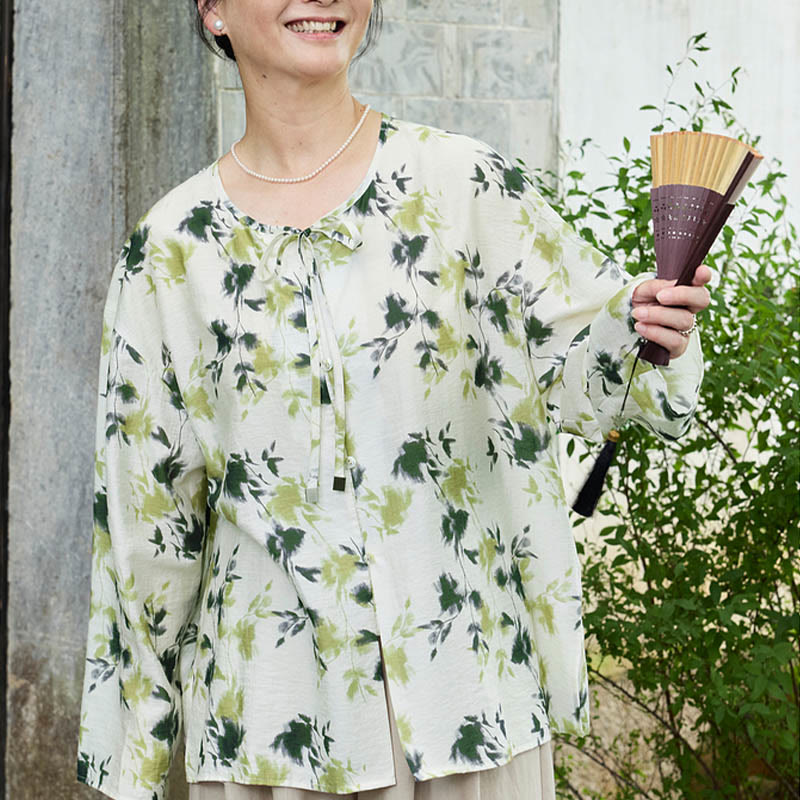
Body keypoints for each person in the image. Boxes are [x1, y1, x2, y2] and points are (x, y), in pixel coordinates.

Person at [75, 1, 711, 799]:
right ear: (212, 10)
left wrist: (648, 331)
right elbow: (146, 526)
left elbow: (598, 377)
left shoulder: (466, 186)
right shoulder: (171, 249)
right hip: (270, 734)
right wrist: (132, 760)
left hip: (471, 715)